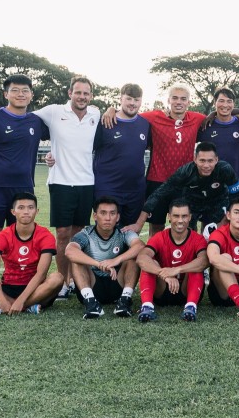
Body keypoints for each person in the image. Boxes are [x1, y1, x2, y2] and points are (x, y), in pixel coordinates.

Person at [102, 84, 213, 237]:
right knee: (156, 225)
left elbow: (219, 115)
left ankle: (189, 257)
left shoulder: (197, 118)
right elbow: (129, 112)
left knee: (188, 224)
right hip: (157, 181)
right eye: (174, 98)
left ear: (189, 102)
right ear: (168, 100)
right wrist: (111, 109)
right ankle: (155, 258)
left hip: (185, 182)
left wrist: (233, 114)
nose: (178, 102)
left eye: (183, 99)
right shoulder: (153, 117)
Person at [0, 74, 48, 279]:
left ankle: (18, 281)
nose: (20, 94)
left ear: (31, 95)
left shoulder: (37, 121)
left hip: (23, 190)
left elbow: (64, 134)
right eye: (15, 90)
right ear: (6, 94)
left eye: (25, 91)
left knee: (21, 237)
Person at [27, 75, 101, 295]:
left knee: (79, 234)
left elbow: (109, 115)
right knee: (62, 233)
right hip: (60, 182)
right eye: (78, 92)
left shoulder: (96, 114)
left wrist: (111, 111)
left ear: (91, 96)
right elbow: (21, 115)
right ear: (70, 93)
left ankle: (75, 279)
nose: (82, 96)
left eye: (86, 93)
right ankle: (62, 281)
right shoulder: (54, 111)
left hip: (86, 183)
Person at [0, 192, 64, 316]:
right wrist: (2, 300)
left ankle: (10, 308)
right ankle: (22, 307)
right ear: (13, 212)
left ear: (37, 211)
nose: (26, 211)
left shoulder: (46, 236)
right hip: (8, 288)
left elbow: (41, 274)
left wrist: (21, 301)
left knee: (57, 278)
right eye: (21, 208)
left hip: (36, 289)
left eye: (30, 207)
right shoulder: (1, 236)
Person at [126, 142, 239, 234]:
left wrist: (225, 220)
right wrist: (139, 223)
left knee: (217, 234)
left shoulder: (225, 169)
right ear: (195, 159)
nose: (206, 165)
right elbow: (159, 193)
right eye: (202, 160)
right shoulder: (186, 172)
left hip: (217, 202)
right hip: (193, 202)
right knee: (188, 235)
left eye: (210, 161)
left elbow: (237, 197)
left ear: (216, 160)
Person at [65, 196, 145, 319]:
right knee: (77, 260)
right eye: (103, 213)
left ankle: (124, 301)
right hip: (92, 284)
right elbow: (69, 250)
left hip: (116, 283)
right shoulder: (86, 234)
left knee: (133, 256)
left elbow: (140, 245)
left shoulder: (123, 232)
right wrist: (99, 264)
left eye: (112, 213)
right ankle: (91, 303)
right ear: (95, 216)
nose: (108, 218)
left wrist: (115, 260)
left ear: (117, 217)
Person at [135, 199, 209, 322]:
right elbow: (141, 258)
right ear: (169, 217)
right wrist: (164, 274)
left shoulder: (198, 239)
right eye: (176, 216)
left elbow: (204, 261)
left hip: (187, 291)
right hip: (163, 290)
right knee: (150, 262)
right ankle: (147, 306)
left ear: (190, 217)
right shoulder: (159, 237)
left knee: (196, 265)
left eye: (184, 216)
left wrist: (177, 269)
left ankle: (191, 307)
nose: (180, 220)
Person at [92, 83, 151, 227]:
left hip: (135, 190)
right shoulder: (105, 121)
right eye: (129, 99)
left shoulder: (145, 124)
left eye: (136, 100)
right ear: (121, 99)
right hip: (108, 188)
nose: (132, 103)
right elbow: (85, 149)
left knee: (129, 235)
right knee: (107, 233)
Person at [198, 87, 239, 192]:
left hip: (235, 183)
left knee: (236, 209)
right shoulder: (206, 126)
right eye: (221, 101)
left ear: (233, 104)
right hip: (208, 183)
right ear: (215, 102)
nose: (225, 105)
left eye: (229, 101)